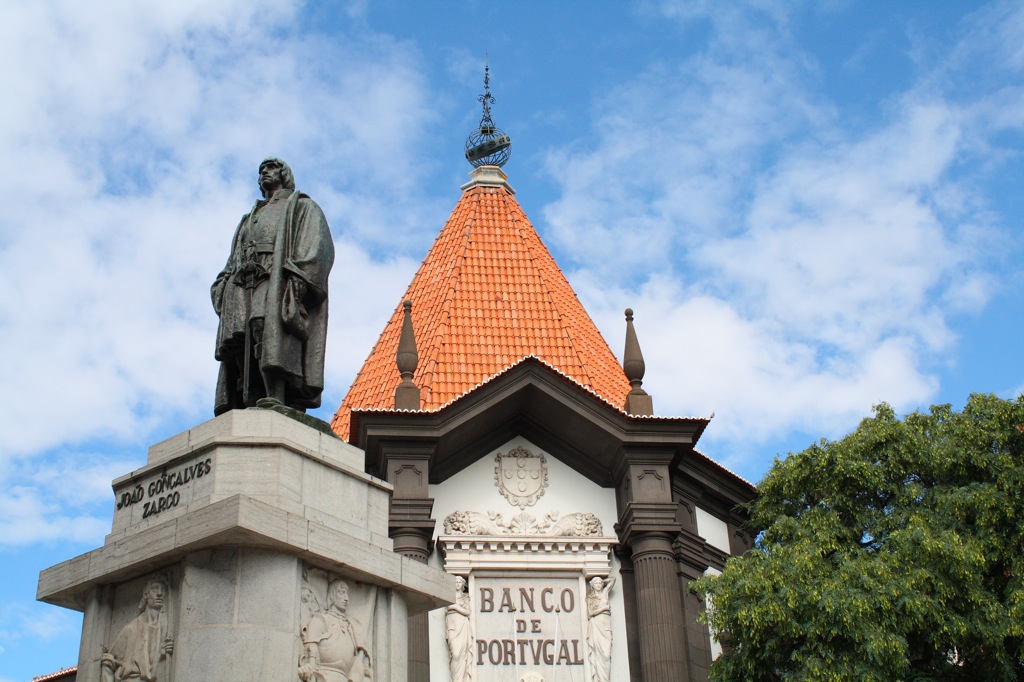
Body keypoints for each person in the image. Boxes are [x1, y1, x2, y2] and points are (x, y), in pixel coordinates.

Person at [212, 158, 335, 414]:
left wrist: (300, 276)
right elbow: (233, 255)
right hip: (242, 279)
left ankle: (275, 394)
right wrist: (223, 282)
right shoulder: (250, 217)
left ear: (284, 173)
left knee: (263, 325)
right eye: (261, 171)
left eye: (270, 168)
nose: (264, 173)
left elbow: (318, 246)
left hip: (275, 276)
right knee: (238, 334)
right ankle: (249, 396)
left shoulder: (302, 206)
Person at [101, 577, 174, 682]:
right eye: (155, 589)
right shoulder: (131, 629)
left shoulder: (164, 628)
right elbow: (108, 662)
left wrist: (162, 652)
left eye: (163, 590)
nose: (159, 593)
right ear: (145, 595)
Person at [298, 580, 372, 682]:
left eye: (347, 594)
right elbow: (311, 647)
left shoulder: (351, 627)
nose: (346, 599)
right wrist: (309, 666)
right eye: (341, 593)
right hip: (322, 675)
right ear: (332, 595)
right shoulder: (321, 619)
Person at [586, 575, 614, 682]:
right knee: (598, 653)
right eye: (596, 583)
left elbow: (613, 580)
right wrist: (604, 607)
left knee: (606, 654)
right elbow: (590, 613)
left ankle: (605, 679)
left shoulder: (605, 593)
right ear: (592, 586)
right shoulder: (590, 598)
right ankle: (600, 679)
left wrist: (602, 580)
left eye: (599, 583)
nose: (598, 585)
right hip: (596, 626)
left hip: (606, 627)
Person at [445, 575, 474, 682]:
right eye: (455, 582)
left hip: (462, 624)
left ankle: (460, 679)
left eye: (459, 582)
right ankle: (455, 679)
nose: (457, 584)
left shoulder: (465, 597)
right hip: (452, 624)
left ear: (463, 584)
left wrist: (454, 607)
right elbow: (446, 609)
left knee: (461, 654)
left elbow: (468, 612)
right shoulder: (448, 596)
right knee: (455, 654)